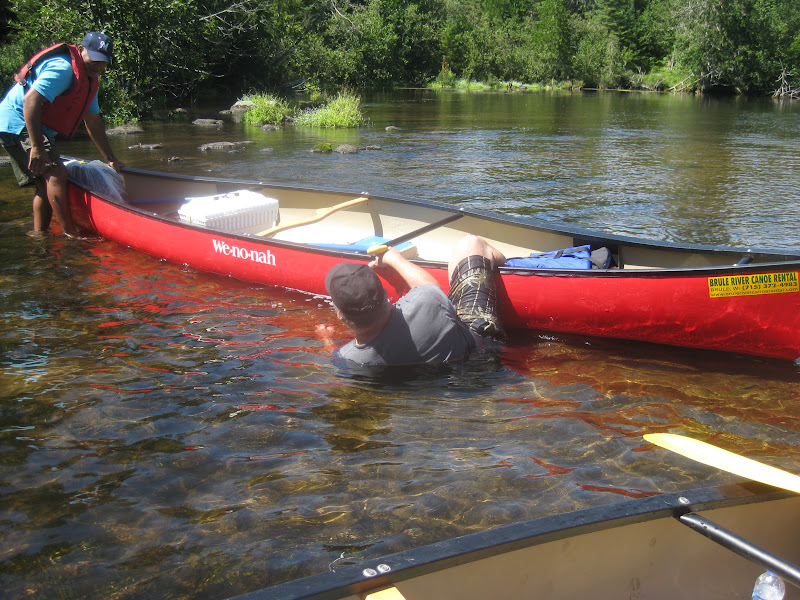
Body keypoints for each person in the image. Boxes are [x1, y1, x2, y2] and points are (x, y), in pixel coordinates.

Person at [0, 31, 126, 237]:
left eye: (103, 62)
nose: (99, 65)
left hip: (34, 124)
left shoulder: (89, 80)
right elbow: (30, 101)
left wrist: (110, 158)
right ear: (82, 49)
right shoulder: (64, 68)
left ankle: (39, 235)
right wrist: (37, 147)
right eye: (95, 59)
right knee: (56, 174)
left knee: (44, 181)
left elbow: (92, 121)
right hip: (17, 120)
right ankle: (71, 235)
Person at [322, 234, 507, 366]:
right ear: (386, 294)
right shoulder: (427, 301)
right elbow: (430, 287)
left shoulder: (352, 359)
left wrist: (327, 340)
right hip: (483, 351)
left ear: (340, 315)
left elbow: (338, 360)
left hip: (451, 386)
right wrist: (394, 259)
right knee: (472, 243)